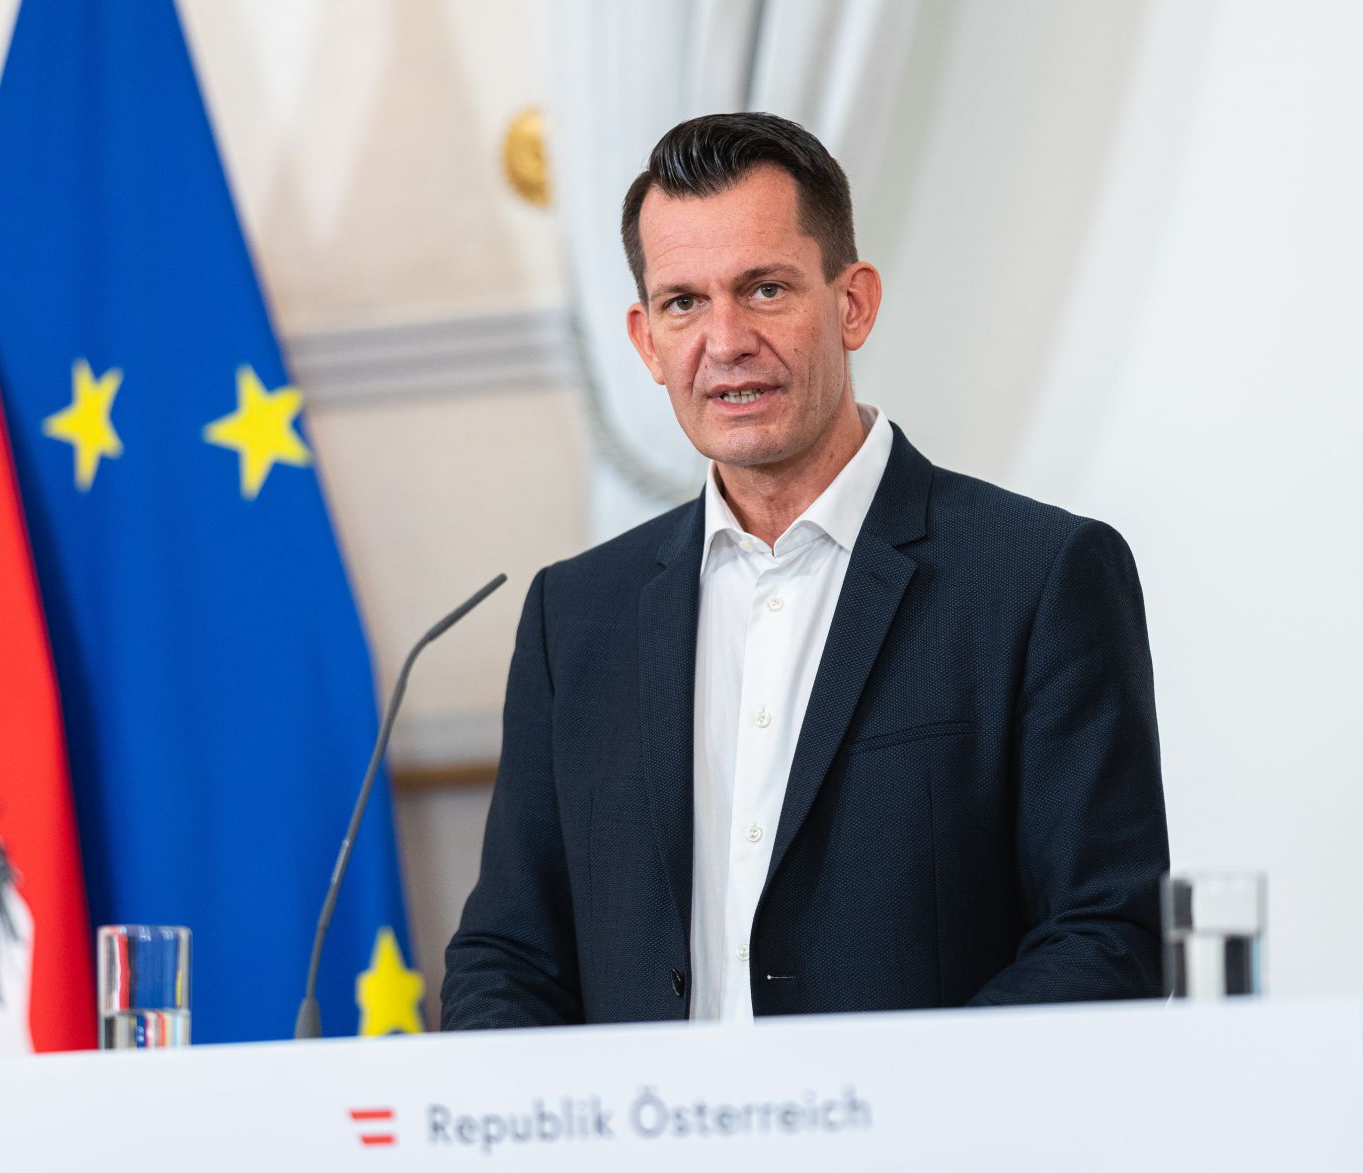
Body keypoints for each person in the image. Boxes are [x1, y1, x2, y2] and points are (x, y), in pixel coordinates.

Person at [441, 113, 1169, 1028]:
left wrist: (889, 1097)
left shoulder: (1039, 577)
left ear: (852, 303)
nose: (726, 340)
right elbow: (508, 955)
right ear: (645, 340)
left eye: (765, 288)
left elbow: (1108, 935)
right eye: (683, 303)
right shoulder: (575, 614)